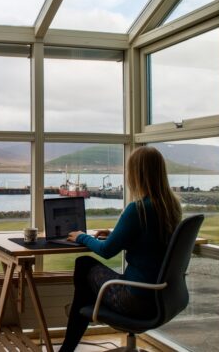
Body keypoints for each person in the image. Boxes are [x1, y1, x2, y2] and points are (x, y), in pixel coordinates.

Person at [59, 146, 182, 351]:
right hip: (164, 297)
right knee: (85, 291)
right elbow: (150, 240)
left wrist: (82, 237)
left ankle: (74, 330)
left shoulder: (138, 209)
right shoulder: (172, 207)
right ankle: (81, 313)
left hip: (136, 299)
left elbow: (107, 251)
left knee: (84, 264)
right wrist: (117, 234)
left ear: (136, 174)